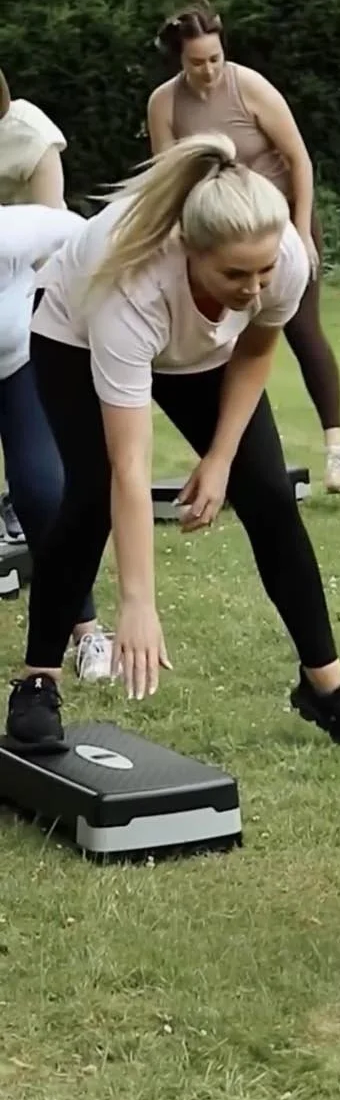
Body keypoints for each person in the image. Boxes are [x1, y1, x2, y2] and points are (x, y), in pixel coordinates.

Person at [4, 133, 340, 755]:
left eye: (263, 271)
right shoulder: (131, 282)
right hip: (74, 336)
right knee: (92, 492)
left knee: (267, 492)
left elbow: (260, 345)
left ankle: (326, 687)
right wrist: (139, 603)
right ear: (189, 248)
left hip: (201, 355)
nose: (255, 289)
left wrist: (219, 460)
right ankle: (37, 682)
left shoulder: (282, 255)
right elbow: (130, 466)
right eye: (235, 274)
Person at [146, 0, 340, 496]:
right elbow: (167, 178)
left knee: (300, 330)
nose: (208, 70)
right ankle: (230, 456)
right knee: (220, 341)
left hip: (279, 224)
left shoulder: (249, 87)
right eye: (197, 62)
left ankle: (337, 447)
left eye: (215, 58)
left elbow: (299, 159)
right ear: (180, 59)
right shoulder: (165, 103)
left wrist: (303, 233)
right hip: (215, 235)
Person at [0, 70, 110, 678]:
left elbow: (80, 235)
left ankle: (87, 628)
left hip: (17, 366)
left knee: (44, 491)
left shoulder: (17, 227)